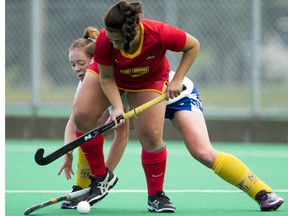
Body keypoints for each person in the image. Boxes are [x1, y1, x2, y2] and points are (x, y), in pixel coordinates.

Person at [66, 0, 285, 213]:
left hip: (175, 94)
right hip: (140, 95)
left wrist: (178, 80)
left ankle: (262, 192)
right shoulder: (104, 53)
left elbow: (193, 45)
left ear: (130, 35)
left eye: (116, 41)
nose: (112, 44)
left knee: (201, 152)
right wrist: (98, 176)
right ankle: (90, 183)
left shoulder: (158, 33)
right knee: (87, 118)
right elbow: (86, 117)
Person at [57, 26, 130, 208]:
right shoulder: (84, 85)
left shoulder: (110, 78)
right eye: (72, 64)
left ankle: (100, 179)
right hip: (120, 110)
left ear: (95, 60)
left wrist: (103, 179)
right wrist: (68, 152)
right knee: (87, 131)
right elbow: (74, 121)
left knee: (91, 133)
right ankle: (83, 186)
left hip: (168, 98)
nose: (76, 69)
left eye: (81, 63)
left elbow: (123, 136)